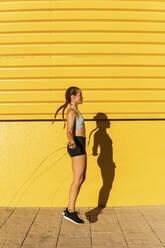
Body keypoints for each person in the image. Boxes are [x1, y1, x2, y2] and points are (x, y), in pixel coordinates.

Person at [52, 86, 87, 224]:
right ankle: (70, 211)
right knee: (77, 178)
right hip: (77, 144)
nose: (82, 97)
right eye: (80, 95)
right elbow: (69, 131)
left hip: (81, 144)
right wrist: (73, 142)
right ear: (73, 97)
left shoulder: (76, 110)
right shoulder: (71, 112)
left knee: (81, 177)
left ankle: (69, 209)